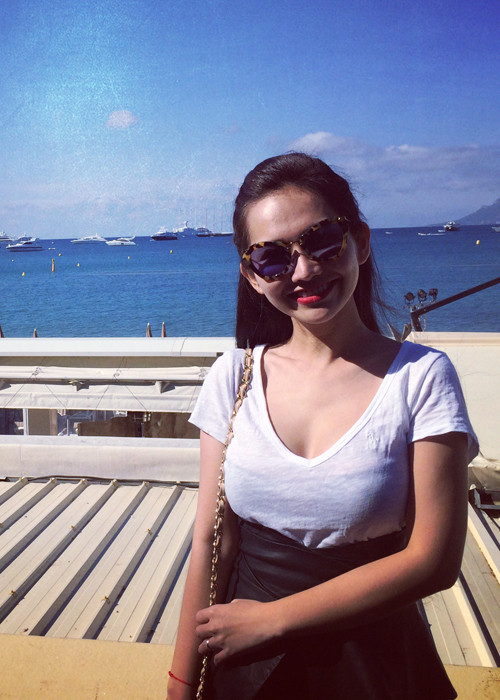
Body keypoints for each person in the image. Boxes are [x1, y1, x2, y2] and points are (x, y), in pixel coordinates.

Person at [166, 153, 478, 700]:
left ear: (360, 241)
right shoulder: (233, 377)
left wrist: (273, 620)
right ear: (252, 275)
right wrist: (181, 681)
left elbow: (434, 561)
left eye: (323, 241)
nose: (304, 271)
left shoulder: (421, 377)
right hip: (248, 667)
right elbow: (213, 539)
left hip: (372, 659)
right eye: (272, 257)